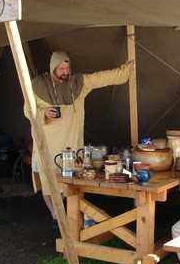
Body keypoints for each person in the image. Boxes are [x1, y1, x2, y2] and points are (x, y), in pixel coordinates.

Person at [24, 51, 134, 220]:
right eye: (61, 69)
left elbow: (100, 78)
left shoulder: (77, 84)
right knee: (48, 181)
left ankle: (69, 218)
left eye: (67, 68)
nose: (65, 72)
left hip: (69, 143)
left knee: (70, 179)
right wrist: (43, 112)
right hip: (47, 144)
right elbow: (27, 111)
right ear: (53, 67)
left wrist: (124, 71)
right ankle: (55, 214)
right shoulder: (37, 86)